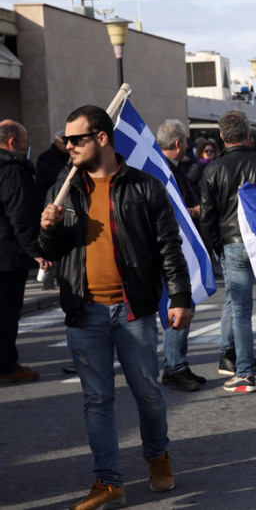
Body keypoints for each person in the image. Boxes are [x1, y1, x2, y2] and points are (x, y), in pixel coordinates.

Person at [40, 105, 192, 508]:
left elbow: (168, 248)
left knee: (147, 392)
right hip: (83, 310)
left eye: (76, 139)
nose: (68, 146)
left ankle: (157, 457)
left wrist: (179, 297)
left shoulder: (143, 187)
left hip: (133, 310)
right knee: (97, 400)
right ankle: (107, 480)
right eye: (66, 140)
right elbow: (50, 252)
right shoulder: (65, 186)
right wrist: (49, 229)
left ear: (101, 139)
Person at [200, 109, 256, 393]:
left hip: (232, 242)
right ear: (248, 134)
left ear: (222, 137)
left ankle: (244, 372)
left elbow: (208, 217)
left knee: (241, 310)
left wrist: (218, 247)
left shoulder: (213, 169)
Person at [157, 119, 207, 392]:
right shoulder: (165, 173)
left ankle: (178, 364)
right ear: (178, 144)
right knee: (180, 306)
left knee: (184, 306)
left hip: (175, 250)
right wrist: (197, 212)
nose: (188, 146)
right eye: (186, 141)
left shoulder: (169, 169)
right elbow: (172, 214)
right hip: (172, 251)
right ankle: (174, 367)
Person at [0, 119, 49, 383]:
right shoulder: (12, 170)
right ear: (12, 142)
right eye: (23, 141)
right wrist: (36, 251)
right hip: (7, 256)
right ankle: (6, 366)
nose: (26, 146)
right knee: (7, 314)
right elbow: (20, 215)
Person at [36, 129, 70, 202]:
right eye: (65, 142)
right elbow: (44, 178)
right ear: (56, 141)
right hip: (51, 197)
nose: (67, 146)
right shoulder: (45, 158)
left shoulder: (70, 156)